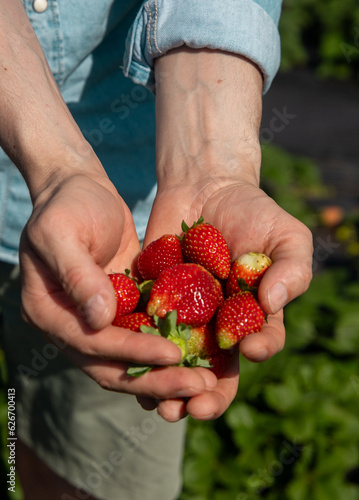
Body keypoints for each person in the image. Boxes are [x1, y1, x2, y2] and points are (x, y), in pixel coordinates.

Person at [0, 1, 313, 499]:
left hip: (116, 209)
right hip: (99, 207)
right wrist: (54, 165)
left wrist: (212, 161)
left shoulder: (148, 268)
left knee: (87, 473)